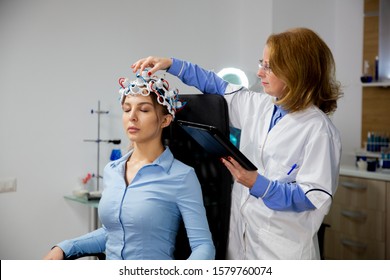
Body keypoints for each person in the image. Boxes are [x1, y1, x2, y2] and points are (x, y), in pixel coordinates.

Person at [131, 27, 343, 260]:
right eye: (261, 62)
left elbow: (315, 197)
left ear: (296, 71)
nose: (260, 72)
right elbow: (217, 86)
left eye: (269, 66)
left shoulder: (319, 130)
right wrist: (172, 64)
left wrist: (259, 184)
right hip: (242, 240)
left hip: (284, 250)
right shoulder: (261, 106)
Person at [44, 72, 215, 260]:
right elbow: (113, 233)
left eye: (144, 110)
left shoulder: (181, 176)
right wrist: (64, 247)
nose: (132, 117)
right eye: (127, 109)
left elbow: (203, 246)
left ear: (165, 120)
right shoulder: (113, 170)